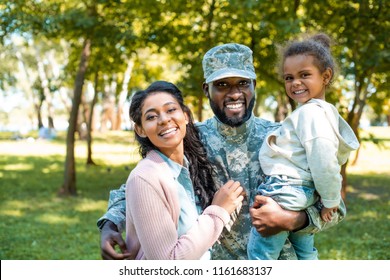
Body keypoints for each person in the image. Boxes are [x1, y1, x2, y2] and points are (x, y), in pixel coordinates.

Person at [97, 43, 346, 260]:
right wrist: (109, 224)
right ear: (207, 89)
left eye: (242, 83)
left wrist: (290, 220)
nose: (234, 92)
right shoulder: (190, 139)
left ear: (254, 86)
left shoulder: (283, 137)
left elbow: (336, 208)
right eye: (223, 84)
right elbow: (140, 187)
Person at [247, 33, 360, 260]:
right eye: (289, 78)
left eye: (304, 75)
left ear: (326, 76)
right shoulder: (321, 113)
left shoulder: (310, 114)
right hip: (303, 194)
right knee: (306, 252)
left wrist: (331, 201)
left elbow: (324, 162)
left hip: (286, 190)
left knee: (261, 254)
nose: (295, 83)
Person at [124, 81, 244, 259]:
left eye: (171, 110)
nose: (164, 119)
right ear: (140, 130)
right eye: (151, 117)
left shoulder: (189, 165)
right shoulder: (145, 178)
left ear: (186, 115)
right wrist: (219, 211)